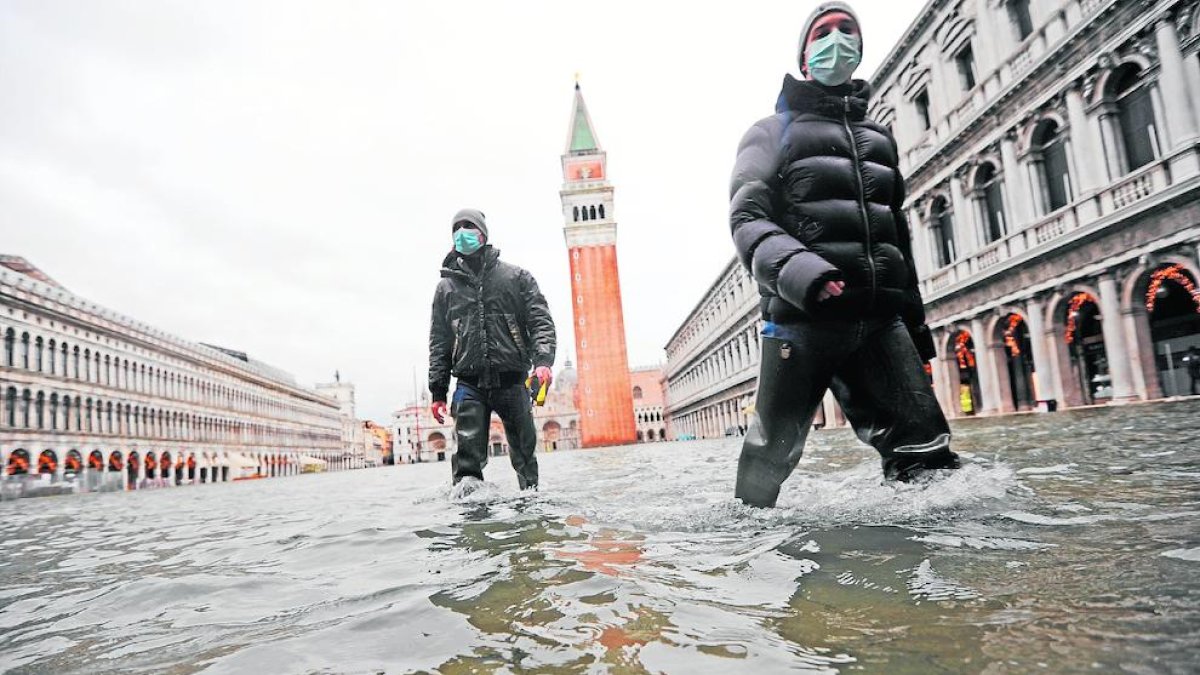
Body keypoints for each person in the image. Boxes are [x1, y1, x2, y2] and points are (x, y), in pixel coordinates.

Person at [728, 1, 960, 508]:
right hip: (800, 319)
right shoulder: (770, 132)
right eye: (824, 32)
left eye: (847, 30)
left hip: (880, 321)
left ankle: (932, 565)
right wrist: (806, 275)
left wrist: (915, 333)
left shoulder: (880, 140)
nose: (837, 39)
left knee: (928, 457)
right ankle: (748, 562)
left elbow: (899, 237)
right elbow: (747, 218)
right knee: (769, 459)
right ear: (805, 55)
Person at [428, 208, 556, 492]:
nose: (462, 232)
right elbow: (439, 342)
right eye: (457, 227)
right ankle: (472, 519)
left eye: (468, 226)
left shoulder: (516, 277)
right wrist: (438, 391)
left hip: (513, 380)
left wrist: (544, 361)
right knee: (466, 461)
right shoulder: (445, 288)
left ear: (483, 234)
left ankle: (531, 506)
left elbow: (540, 321)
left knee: (525, 456)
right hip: (469, 384)